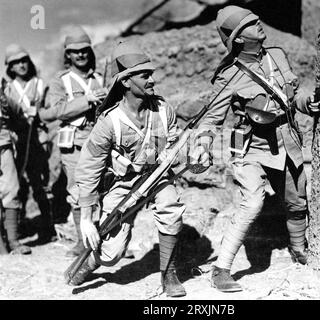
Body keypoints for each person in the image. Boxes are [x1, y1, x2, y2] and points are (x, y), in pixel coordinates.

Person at [192, 5, 320, 292]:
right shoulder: (228, 75)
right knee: (252, 202)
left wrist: (307, 103)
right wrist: (202, 146)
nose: (259, 25)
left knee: (297, 200)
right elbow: (212, 118)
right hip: (250, 146)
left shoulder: (276, 55)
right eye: (251, 25)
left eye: (256, 20)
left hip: (285, 140)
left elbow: (292, 94)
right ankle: (221, 269)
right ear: (238, 38)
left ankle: (298, 248)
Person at [66, 41, 187, 298]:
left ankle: (169, 273)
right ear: (126, 82)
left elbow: (177, 138)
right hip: (123, 184)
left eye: (151, 73)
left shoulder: (164, 110)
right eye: (145, 75)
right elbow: (89, 167)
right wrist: (87, 217)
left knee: (170, 207)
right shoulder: (110, 122)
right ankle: (91, 262)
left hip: (157, 176)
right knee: (112, 254)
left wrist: (185, 151)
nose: (153, 80)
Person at [41, 26, 107, 257]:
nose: (80, 55)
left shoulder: (100, 79)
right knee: (79, 191)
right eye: (75, 51)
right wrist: (86, 101)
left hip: (100, 140)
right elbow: (57, 111)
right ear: (67, 55)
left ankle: (105, 238)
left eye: (84, 50)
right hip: (75, 143)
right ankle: (82, 242)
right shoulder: (61, 81)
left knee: (104, 189)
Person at [4, 44, 56, 245]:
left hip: (37, 142)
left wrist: (39, 115)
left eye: (24, 60)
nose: (21, 65)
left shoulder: (41, 85)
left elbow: (52, 112)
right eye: (16, 62)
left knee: (40, 185)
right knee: (16, 186)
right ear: (10, 67)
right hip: (16, 143)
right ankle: (20, 224)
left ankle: (47, 227)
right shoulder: (7, 89)